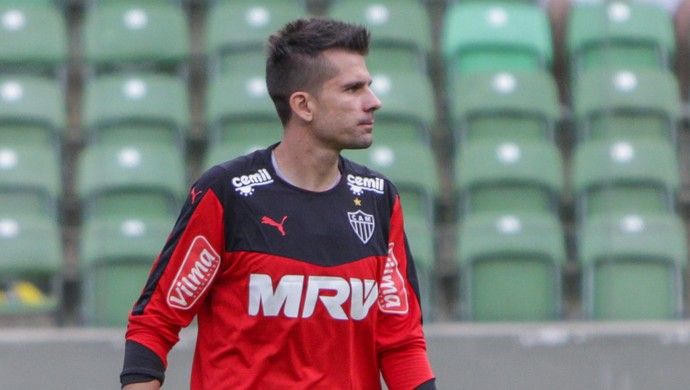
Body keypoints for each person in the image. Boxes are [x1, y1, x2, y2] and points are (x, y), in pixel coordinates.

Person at [120, 17, 436, 390]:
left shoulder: (378, 199)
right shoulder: (228, 195)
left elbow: (401, 342)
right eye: (353, 89)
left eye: (369, 86)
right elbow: (154, 324)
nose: (373, 102)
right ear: (303, 105)